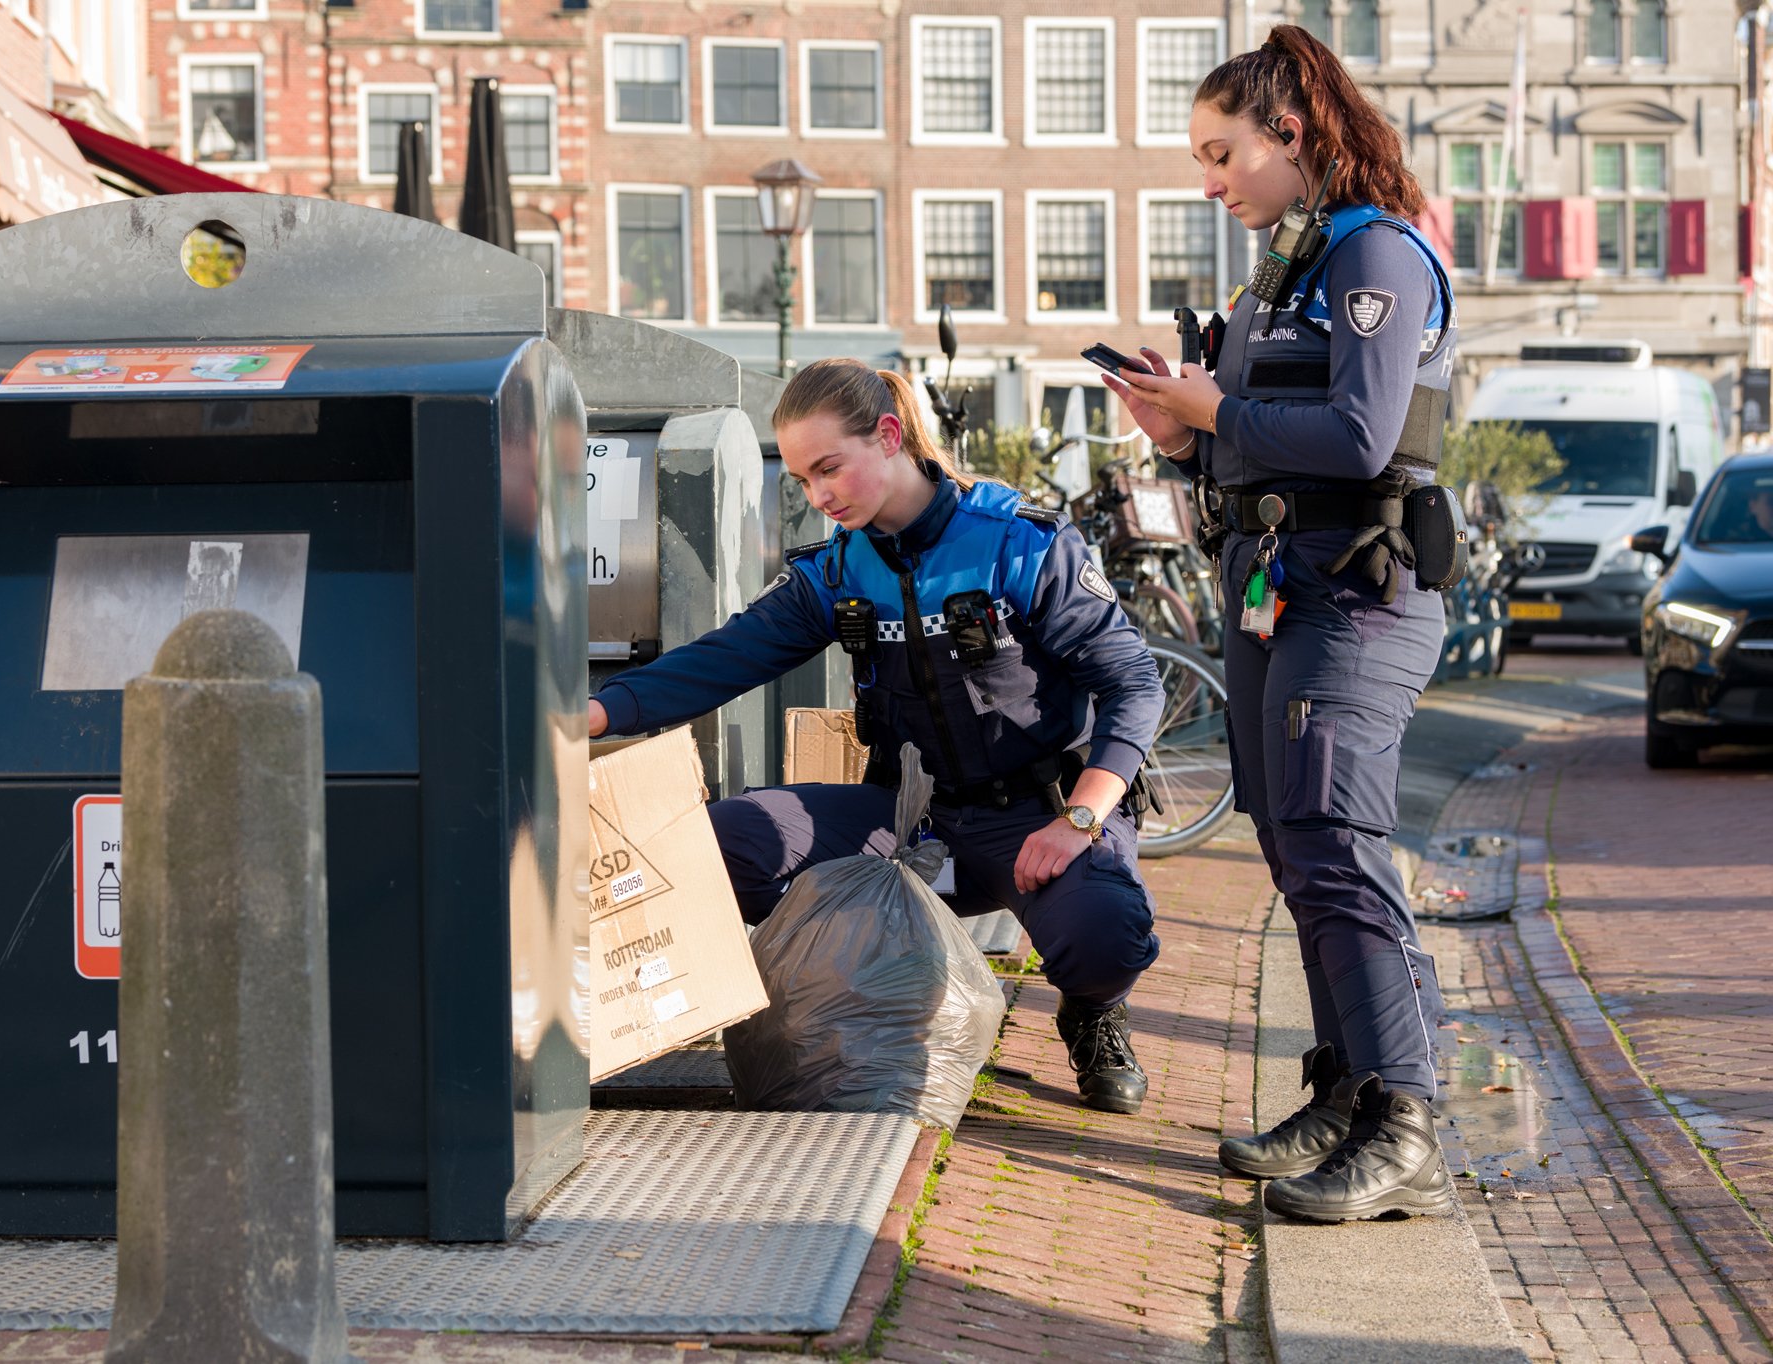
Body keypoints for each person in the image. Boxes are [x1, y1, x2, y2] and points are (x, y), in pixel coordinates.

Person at [588, 358, 1167, 1114]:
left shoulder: (1015, 544)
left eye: (829, 469)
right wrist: (592, 714)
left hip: (1040, 817)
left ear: (889, 436)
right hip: (914, 819)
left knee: (1105, 929)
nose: (818, 497)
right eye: (800, 481)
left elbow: (1134, 682)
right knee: (717, 845)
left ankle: (1093, 1009)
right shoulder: (836, 571)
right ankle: (829, 987)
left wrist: (1081, 819)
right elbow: (723, 659)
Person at [1099, 26, 1457, 1221]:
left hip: (1356, 591)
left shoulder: (1375, 256)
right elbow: (1253, 430)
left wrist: (1217, 406)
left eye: (1221, 152)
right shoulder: (1288, 268)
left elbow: (1359, 438)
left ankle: (1402, 1117)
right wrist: (1183, 430)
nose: (1209, 180)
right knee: (1294, 848)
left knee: (1336, 843)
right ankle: (1346, 1082)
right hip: (1273, 582)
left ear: (1289, 133)